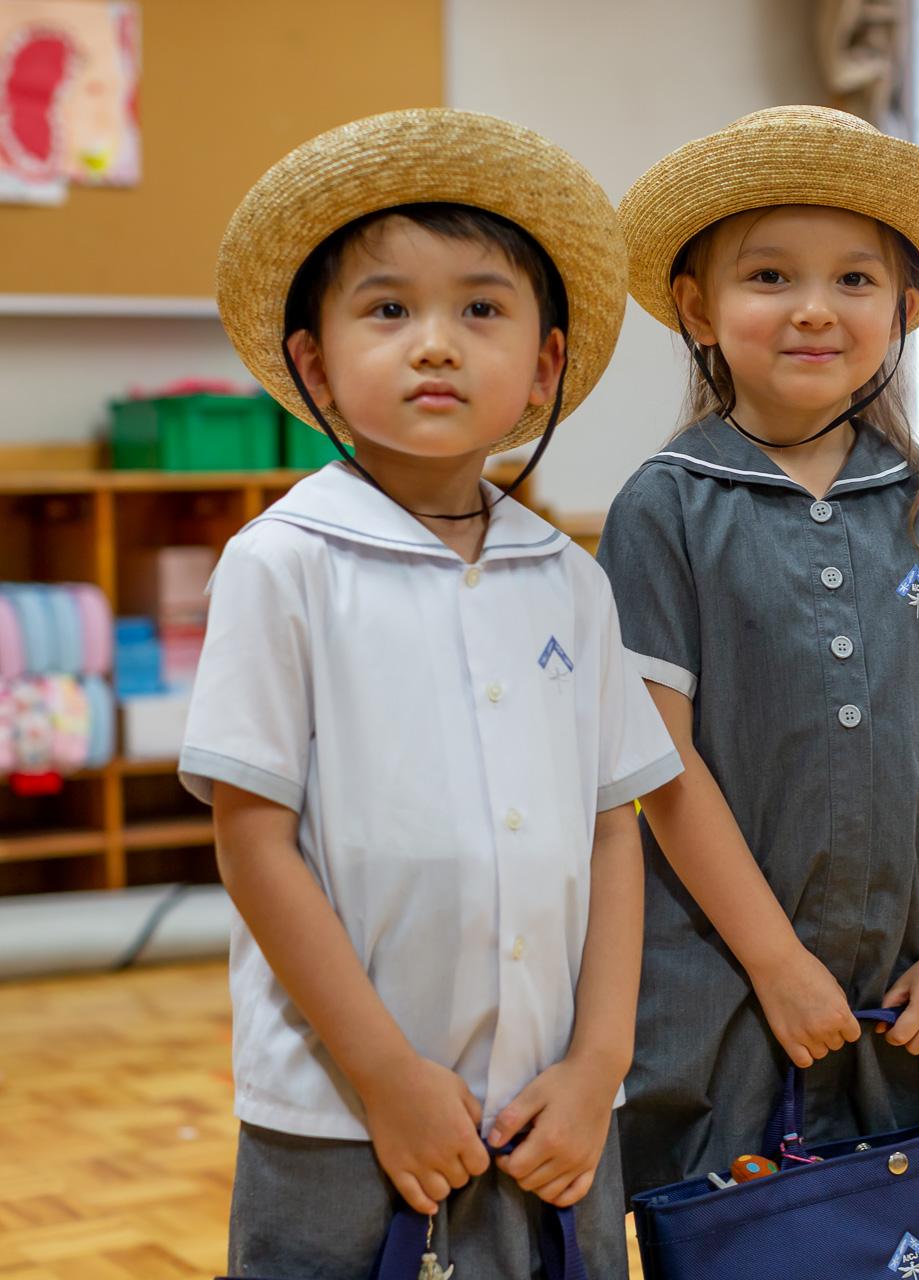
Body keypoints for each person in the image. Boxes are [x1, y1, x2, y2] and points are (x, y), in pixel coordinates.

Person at [184, 108, 682, 1277]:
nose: (437, 344)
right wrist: (388, 1076)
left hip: (554, 1114)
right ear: (314, 361)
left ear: (543, 365)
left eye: (481, 308)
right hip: (343, 1113)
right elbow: (253, 843)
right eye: (389, 307)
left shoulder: (572, 580)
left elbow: (618, 832)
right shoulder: (282, 565)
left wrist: (599, 1065)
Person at [597, 105, 919, 1197]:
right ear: (699, 309)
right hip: (728, 992)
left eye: (855, 279)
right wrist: (778, 964)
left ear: (902, 308)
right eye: (769, 277)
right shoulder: (662, 507)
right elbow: (663, 768)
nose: (814, 308)